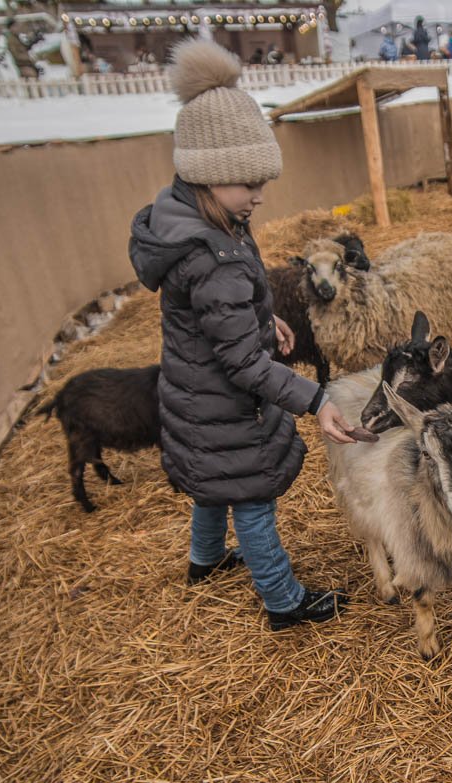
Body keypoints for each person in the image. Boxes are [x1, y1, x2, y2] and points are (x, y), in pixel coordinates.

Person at [128, 40, 356, 630]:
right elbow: (244, 366)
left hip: (190, 388)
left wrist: (265, 319)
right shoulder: (215, 255)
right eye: (246, 182)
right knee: (251, 498)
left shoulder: (188, 218)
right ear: (208, 175)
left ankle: (204, 561)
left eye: (262, 180)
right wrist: (317, 400)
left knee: (211, 481)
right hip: (223, 401)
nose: (259, 194)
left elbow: (222, 313)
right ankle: (284, 602)